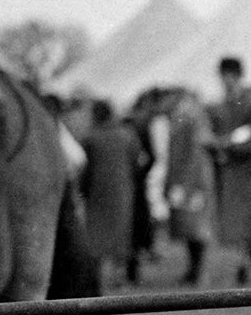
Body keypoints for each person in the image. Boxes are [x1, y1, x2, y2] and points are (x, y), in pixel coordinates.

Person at [207, 55, 251, 284]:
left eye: (228, 76)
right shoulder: (222, 106)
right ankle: (246, 270)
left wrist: (228, 146)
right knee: (239, 230)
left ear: (237, 76)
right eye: (222, 77)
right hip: (233, 176)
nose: (225, 81)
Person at [144, 86, 215, 282]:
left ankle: (198, 271)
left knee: (196, 227)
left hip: (193, 181)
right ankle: (194, 270)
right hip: (187, 179)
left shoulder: (189, 117)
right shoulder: (181, 116)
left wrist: (186, 184)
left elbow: (193, 154)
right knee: (189, 227)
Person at [79, 100, 145, 284]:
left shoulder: (90, 137)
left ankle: (97, 279)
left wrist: (83, 190)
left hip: (97, 193)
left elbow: (85, 168)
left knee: (97, 237)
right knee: (122, 236)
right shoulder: (127, 134)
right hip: (123, 192)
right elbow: (138, 162)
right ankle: (120, 277)